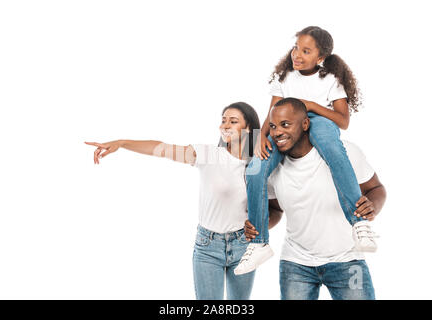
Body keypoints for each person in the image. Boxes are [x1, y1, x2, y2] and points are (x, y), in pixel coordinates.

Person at [84, 102, 279, 300]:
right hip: (208, 247)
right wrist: (122, 143)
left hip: (243, 246)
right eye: (223, 120)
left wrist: (260, 227)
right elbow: (161, 149)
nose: (225, 125)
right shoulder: (208, 155)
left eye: (233, 121)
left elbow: (276, 211)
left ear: (248, 128)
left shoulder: (259, 167)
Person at [234, 26, 378, 276]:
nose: (297, 54)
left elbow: (342, 121)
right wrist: (260, 138)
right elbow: (273, 112)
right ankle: (258, 244)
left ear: (320, 57)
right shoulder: (285, 78)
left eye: (306, 51)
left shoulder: (330, 80)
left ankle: (358, 222)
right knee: (255, 168)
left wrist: (310, 105)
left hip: (318, 119)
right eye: (296, 48)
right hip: (286, 127)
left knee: (333, 149)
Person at [244, 98, 386, 300]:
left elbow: (376, 189)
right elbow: (275, 210)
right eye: (273, 126)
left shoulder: (344, 153)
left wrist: (373, 206)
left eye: (285, 125)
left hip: (348, 260)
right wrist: (261, 225)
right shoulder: (272, 168)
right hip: (296, 264)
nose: (277, 133)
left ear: (305, 124)